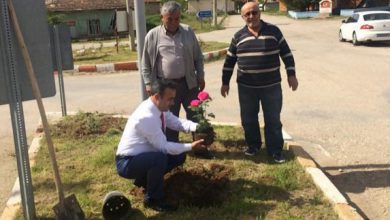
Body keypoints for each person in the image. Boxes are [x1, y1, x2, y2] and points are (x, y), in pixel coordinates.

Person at [220, 1, 298, 163]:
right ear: (242, 17)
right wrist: (225, 82)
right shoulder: (238, 36)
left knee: (273, 119)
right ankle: (253, 145)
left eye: (254, 12)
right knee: (248, 119)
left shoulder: (274, 31)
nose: (251, 16)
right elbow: (229, 62)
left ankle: (275, 151)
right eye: (247, 14)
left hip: (272, 87)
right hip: (246, 88)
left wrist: (291, 74)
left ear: (259, 13)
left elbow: (286, 54)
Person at [116, 79, 205, 212]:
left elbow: (175, 122)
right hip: (127, 162)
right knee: (159, 158)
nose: (173, 103)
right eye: (170, 99)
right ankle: (153, 199)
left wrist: (197, 126)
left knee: (178, 155)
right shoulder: (146, 116)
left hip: (142, 156)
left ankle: (144, 181)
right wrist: (190, 146)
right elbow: (163, 147)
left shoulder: (158, 107)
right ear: (157, 96)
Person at [141, 1, 205, 143]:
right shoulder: (152, 35)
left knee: (196, 115)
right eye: (169, 18)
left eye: (177, 19)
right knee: (169, 117)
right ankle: (172, 148)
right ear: (162, 17)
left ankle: (200, 145)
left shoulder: (188, 31)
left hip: (188, 83)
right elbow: (145, 63)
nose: (173, 22)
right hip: (166, 86)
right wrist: (148, 83)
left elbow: (198, 58)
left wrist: (200, 76)